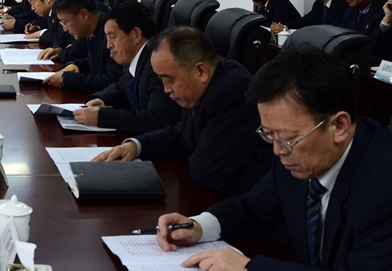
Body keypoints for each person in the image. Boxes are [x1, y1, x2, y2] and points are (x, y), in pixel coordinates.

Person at [154, 47, 392, 271]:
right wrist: (198, 227)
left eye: (285, 139)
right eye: (269, 135)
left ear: (339, 126)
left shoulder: (384, 188)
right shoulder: (299, 151)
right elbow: (253, 209)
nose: (278, 151)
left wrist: (248, 270)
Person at [93, 26, 271, 196]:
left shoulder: (232, 93)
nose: (165, 89)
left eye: (169, 80)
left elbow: (202, 172)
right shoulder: (200, 87)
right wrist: (136, 145)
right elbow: (182, 134)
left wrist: (186, 148)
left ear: (200, 71)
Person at [75, 1, 181, 134]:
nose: (108, 45)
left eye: (113, 36)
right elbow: (121, 86)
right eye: (107, 38)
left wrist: (102, 117)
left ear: (136, 34)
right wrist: (100, 99)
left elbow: (157, 119)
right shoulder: (134, 58)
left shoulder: (156, 65)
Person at [40, 0, 122, 92]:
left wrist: (67, 80)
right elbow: (97, 63)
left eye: (65, 22)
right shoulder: (92, 30)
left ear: (83, 15)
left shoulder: (111, 34)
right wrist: (77, 65)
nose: (65, 29)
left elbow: (112, 80)